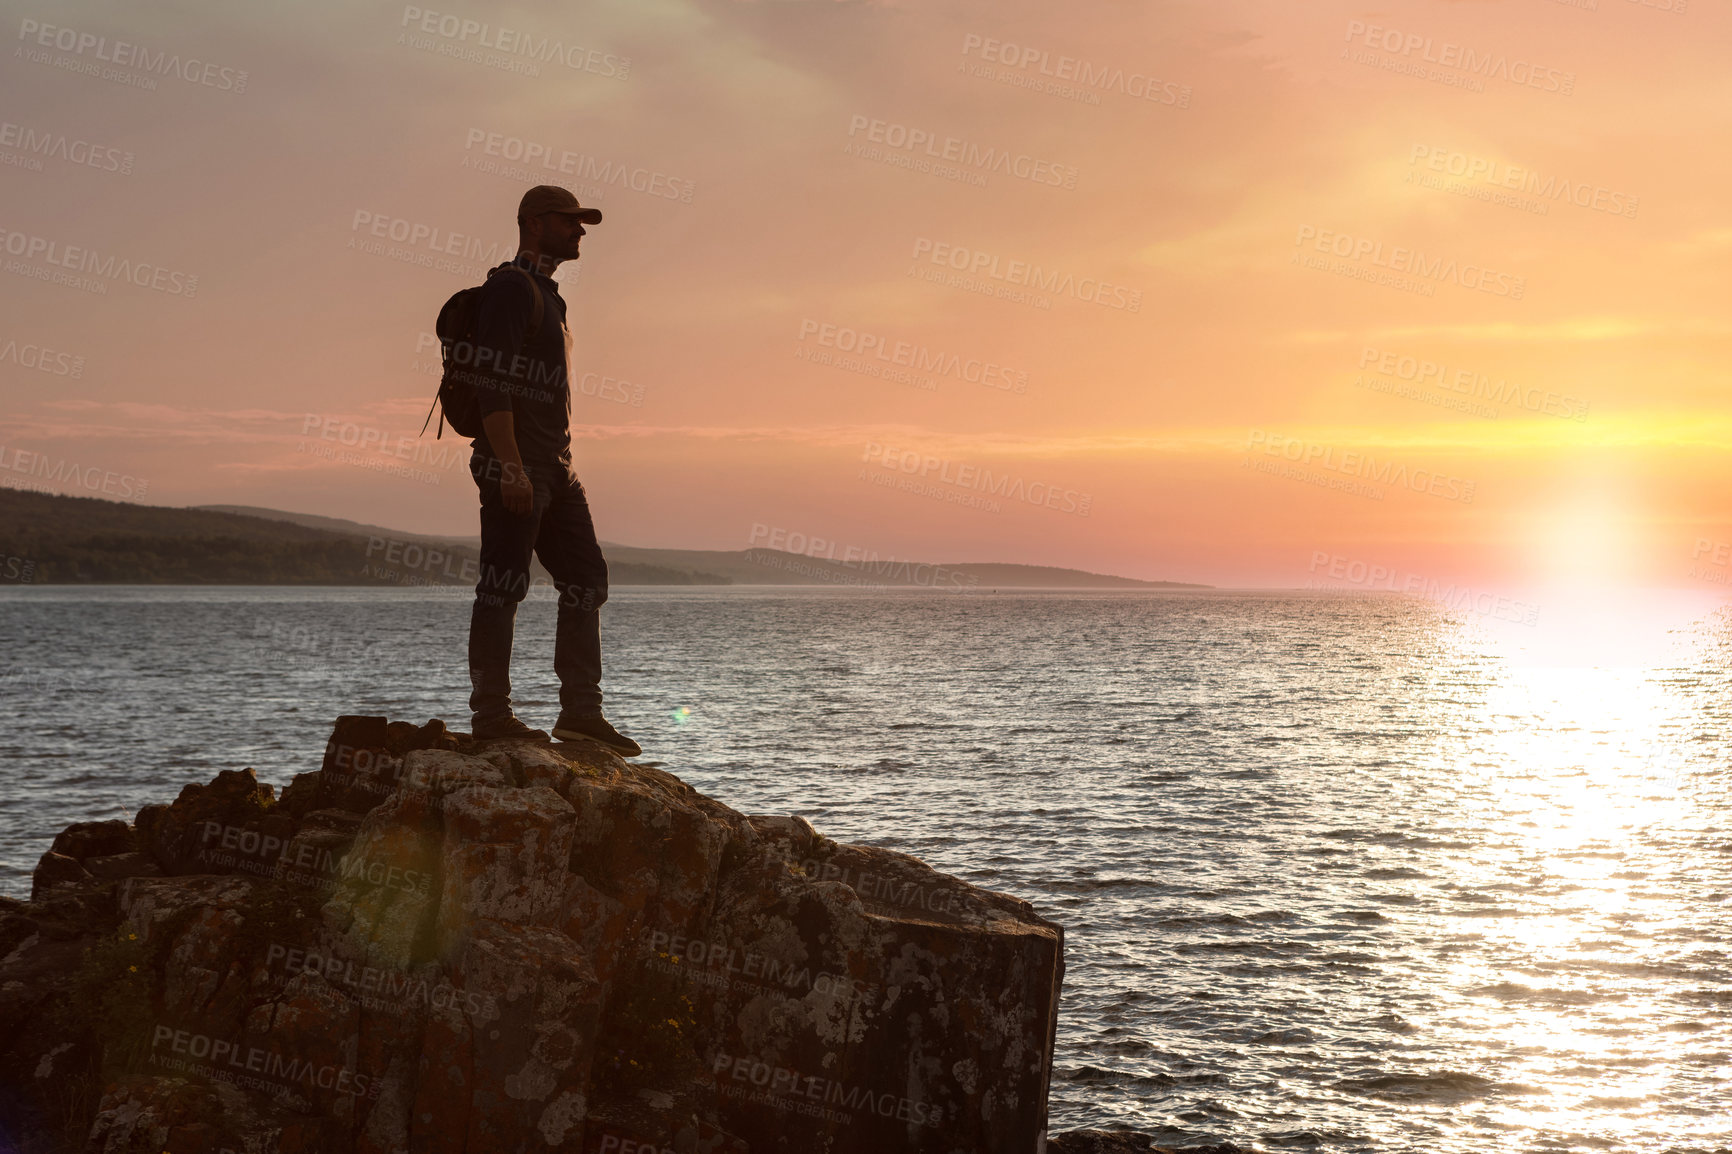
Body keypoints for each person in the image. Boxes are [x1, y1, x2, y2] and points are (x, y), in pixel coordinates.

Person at [464, 184, 640, 756]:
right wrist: (511, 468)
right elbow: (491, 385)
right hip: (515, 465)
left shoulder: (549, 295)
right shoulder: (511, 290)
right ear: (534, 224)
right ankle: (491, 717)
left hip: (557, 468)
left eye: (581, 222)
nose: (579, 230)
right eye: (569, 221)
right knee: (503, 586)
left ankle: (581, 715)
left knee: (587, 580)